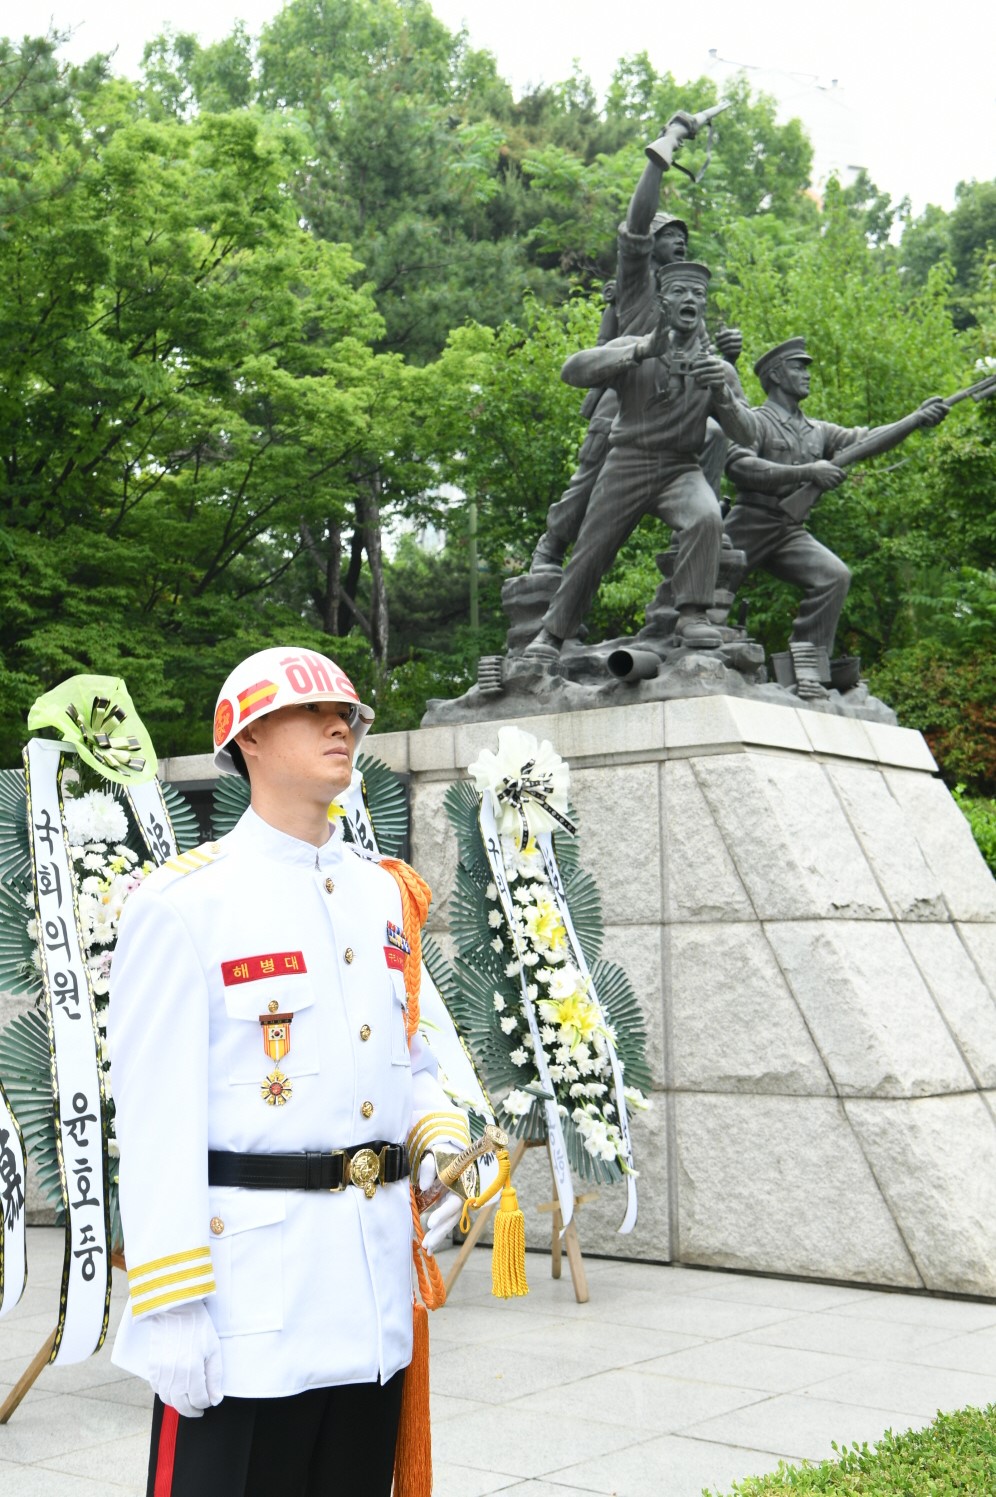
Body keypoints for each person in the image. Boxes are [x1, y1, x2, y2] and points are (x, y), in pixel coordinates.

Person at [108, 646, 467, 1497]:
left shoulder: (383, 894)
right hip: (250, 1310)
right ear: (251, 740)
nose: (340, 724)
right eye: (313, 712)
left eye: (348, 712)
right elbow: (156, 1118)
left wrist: (438, 1141)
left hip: (372, 1299)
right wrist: (171, 1302)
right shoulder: (184, 904)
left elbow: (406, 1056)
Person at [529, 131, 744, 575]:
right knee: (587, 485)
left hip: (675, 410)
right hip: (625, 401)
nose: (679, 240)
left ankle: (698, 527)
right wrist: (661, 159)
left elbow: (704, 375)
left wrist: (727, 359)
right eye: (670, 234)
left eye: (684, 236)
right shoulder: (637, 286)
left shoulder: (691, 304)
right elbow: (637, 230)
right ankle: (551, 545)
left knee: (715, 436)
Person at [526, 262, 759, 659]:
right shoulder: (635, 346)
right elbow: (572, 371)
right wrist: (639, 352)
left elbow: (750, 434)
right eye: (682, 292)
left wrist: (720, 392)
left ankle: (692, 614)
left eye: (699, 295)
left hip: (679, 469)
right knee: (592, 548)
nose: (691, 300)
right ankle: (552, 632)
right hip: (627, 462)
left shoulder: (717, 368)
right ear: (663, 300)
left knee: (706, 516)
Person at [724, 338, 948, 691]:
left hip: (789, 529)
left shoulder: (819, 430)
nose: (807, 374)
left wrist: (915, 420)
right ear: (776, 375)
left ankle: (809, 671)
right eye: (798, 367)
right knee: (706, 595)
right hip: (749, 521)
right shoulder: (755, 422)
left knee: (834, 576)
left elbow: (869, 440)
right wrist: (808, 472)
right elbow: (738, 466)